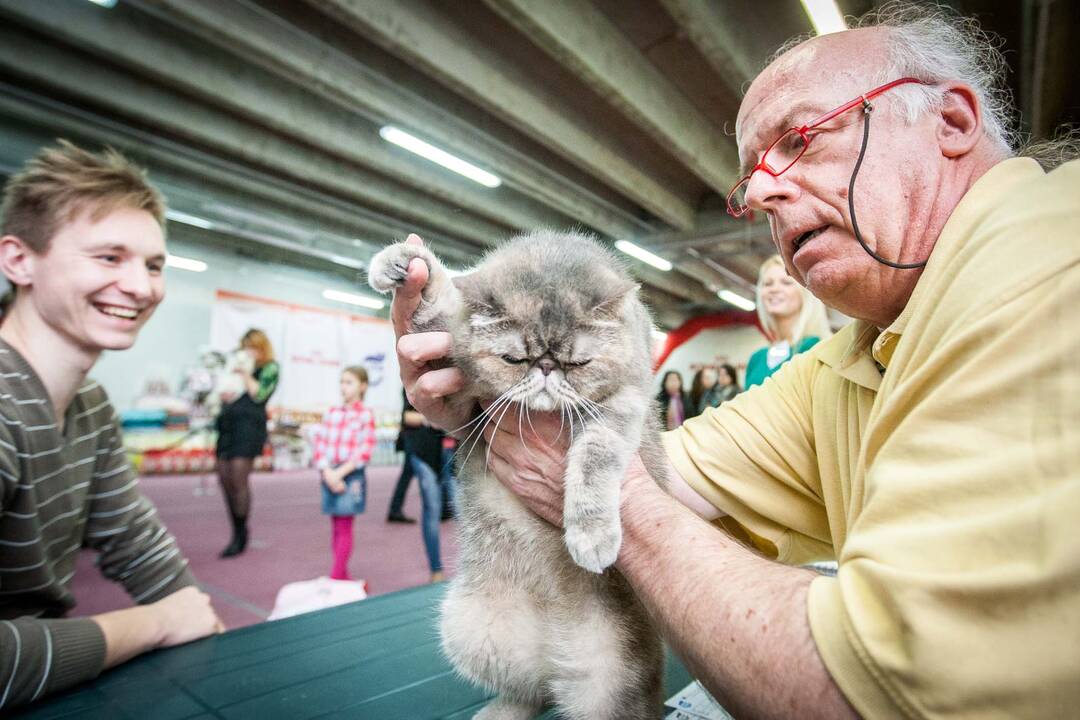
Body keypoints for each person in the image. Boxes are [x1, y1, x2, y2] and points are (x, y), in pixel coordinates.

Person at [389, 2, 1079, 717]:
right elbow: (665, 468)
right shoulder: (851, 358)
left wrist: (614, 497)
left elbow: (888, 695)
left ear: (953, 123)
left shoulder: (1052, 262)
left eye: (801, 139)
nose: (762, 192)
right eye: (751, 177)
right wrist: (486, 388)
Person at [0, 141, 222, 711]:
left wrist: (201, 621)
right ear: (18, 260)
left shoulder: (90, 405)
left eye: (153, 265)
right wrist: (155, 623)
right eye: (109, 258)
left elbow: (135, 543)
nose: (142, 287)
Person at [214, 328, 279, 557]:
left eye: (251, 347)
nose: (247, 351)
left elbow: (259, 395)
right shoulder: (234, 363)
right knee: (224, 478)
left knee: (238, 478)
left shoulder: (269, 368)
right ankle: (235, 526)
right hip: (227, 426)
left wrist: (244, 374)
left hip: (249, 428)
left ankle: (240, 533)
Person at [311, 366, 376, 582]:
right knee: (335, 526)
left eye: (349, 382)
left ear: (363, 386)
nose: (343, 387)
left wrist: (339, 474)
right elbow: (320, 443)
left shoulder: (365, 415)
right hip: (330, 473)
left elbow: (364, 450)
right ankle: (342, 572)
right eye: (342, 382)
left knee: (345, 525)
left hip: (350, 475)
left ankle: (336, 575)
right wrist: (327, 471)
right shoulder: (332, 413)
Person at [744, 254, 832, 387]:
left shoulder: (815, 348)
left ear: (805, 293)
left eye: (786, 283)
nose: (774, 289)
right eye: (767, 284)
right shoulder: (756, 359)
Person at [400, 389, 446, 583]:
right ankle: (436, 570)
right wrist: (432, 420)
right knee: (432, 507)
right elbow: (407, 416)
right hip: (423, 450)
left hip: (454, 450)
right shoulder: (417, 376)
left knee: (464, 510)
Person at [385, 430, 416, 524]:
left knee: (405, 477)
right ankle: (395, 509)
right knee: (405, 477)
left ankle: (395, 509)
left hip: (415, 444)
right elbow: (407, 418)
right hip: (414, 444)